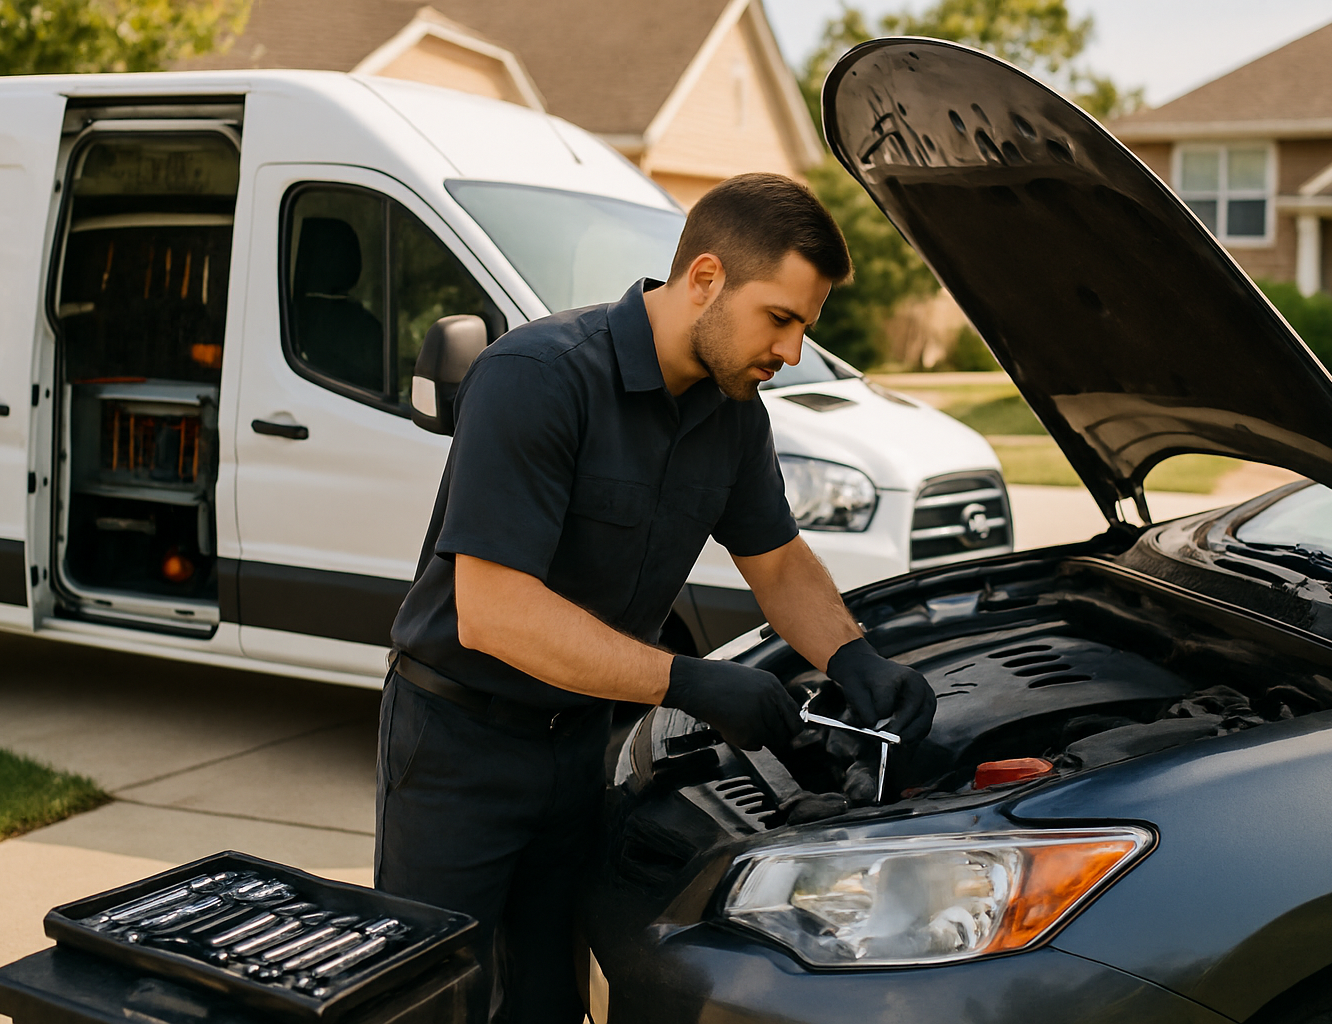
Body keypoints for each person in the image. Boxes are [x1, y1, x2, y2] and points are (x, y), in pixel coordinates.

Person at [377, 172, 935, 1022]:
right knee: (429, 1001)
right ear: (705, 278)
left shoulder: (735, 413)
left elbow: (778, 561)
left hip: (581, 754)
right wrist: (690, 681)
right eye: (779, 318)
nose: (791, 352)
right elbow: (493, 611)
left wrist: (854, 656)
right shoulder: (538, 376)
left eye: (804, 329)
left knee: (548, 1003)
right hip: (460, 750)